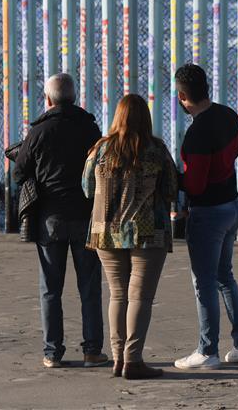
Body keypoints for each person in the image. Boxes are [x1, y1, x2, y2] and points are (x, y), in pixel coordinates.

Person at [13, 73, 108, 369]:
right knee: (89, 287)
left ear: (48, 99)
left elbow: (19, 173)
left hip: (50, 218)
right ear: (74, 98)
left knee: (50, 289)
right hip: (85, 216)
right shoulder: (90, 128)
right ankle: (92, 350)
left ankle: (53, 352)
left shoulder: (39, 131)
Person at [82, 94, 177, 380]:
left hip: (106, 231)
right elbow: (171, 189)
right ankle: (133, 360)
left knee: (118, 294)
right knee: (140, 298)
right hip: (148, 232)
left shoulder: (100, 149)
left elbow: (87, 188)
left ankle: (117, 359)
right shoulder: (156, 150)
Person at [172, 64, 238, 370]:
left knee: (204, 282)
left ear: (182, 97)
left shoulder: (197, 134)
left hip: (208, 213)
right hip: (232, 205)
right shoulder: (228, 115)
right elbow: (237, 150)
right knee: (224, 277)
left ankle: (208, 350)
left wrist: (173, 178)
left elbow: (195, 185)